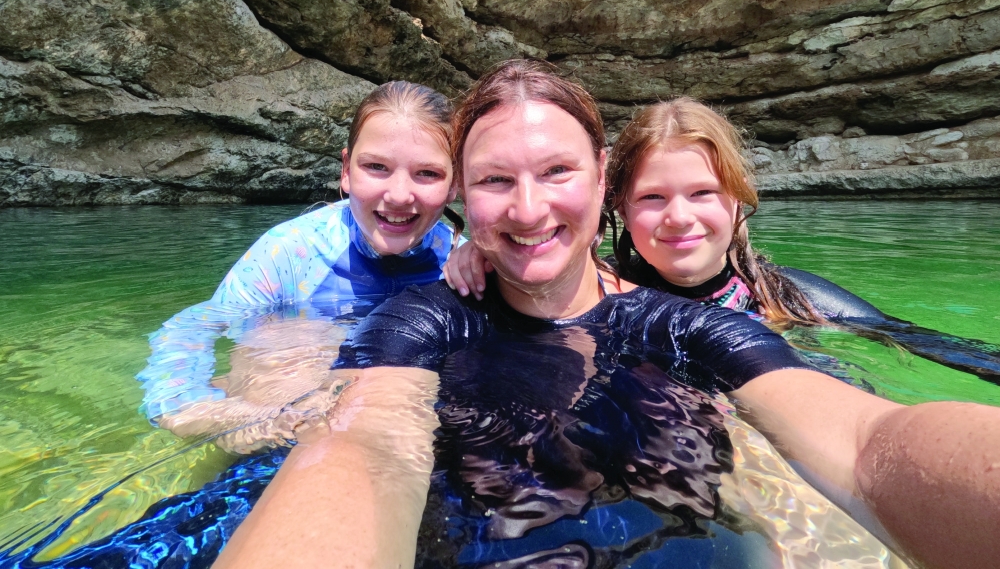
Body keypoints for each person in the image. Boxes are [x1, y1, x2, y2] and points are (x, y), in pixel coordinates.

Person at [214, 61, 1000, 569]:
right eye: (494, 182)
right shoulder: (421, 323)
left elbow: (867, 441)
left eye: (557, 172)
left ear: (599, 181)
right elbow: (363, 449)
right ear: (461, 198)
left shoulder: (689, 324)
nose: (528, 209)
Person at [446, 97, 1000, 385]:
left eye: (703, 193)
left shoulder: (790, 299)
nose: (679, 218)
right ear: (618, 208)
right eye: (652, 198)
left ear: (737, 199)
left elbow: (936, 347)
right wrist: (482, 250)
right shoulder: (599, 293)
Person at [138, 80, 463, 449]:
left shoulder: (464, 260)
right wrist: (186, 404)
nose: (399, 195)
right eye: (376, 167)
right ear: (346, 169)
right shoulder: (291, 252)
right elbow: (195, 325)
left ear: (454, 185)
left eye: (428, 174)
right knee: (296, 338)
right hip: (287, 420)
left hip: (405, 420)